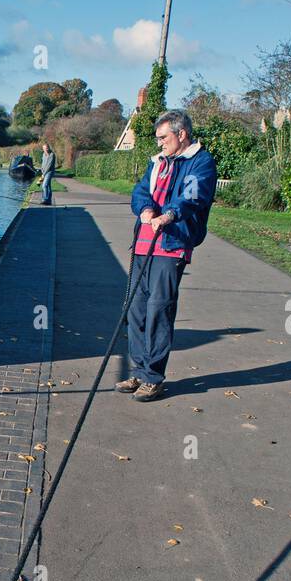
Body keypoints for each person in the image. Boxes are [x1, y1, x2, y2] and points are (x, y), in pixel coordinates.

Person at [117, 110, 217, 402]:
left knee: (158, 311)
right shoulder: (157, 163)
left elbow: (192, 197)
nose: (159, 142)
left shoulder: (201, 162)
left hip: (170, 245)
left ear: (181, 134)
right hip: (143, 244)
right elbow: (140, 191)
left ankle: (153, 377)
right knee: (136, 310)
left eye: (164, 137)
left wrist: (169, 215)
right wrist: (146, 210)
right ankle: (138, 370)